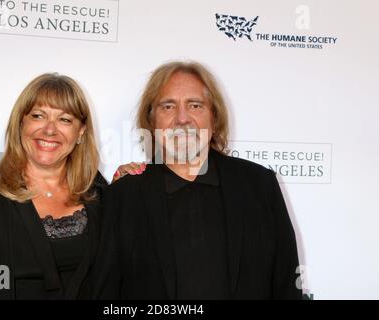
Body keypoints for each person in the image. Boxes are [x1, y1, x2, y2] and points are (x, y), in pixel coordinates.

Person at [0, 73, 144, 299]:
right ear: (21, 122)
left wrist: (124, 193)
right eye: (38, 116)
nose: (50, 130)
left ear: (80, 132)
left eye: (65, 120)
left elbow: (122, 276)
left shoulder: (99, 195)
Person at [104, 61, 303, 299]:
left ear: (214, 117)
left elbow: (286, 286)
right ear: (151, 121)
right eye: (168, 106)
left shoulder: (259, 186)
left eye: (195, 105)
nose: (182, 119)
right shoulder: (123, 198)